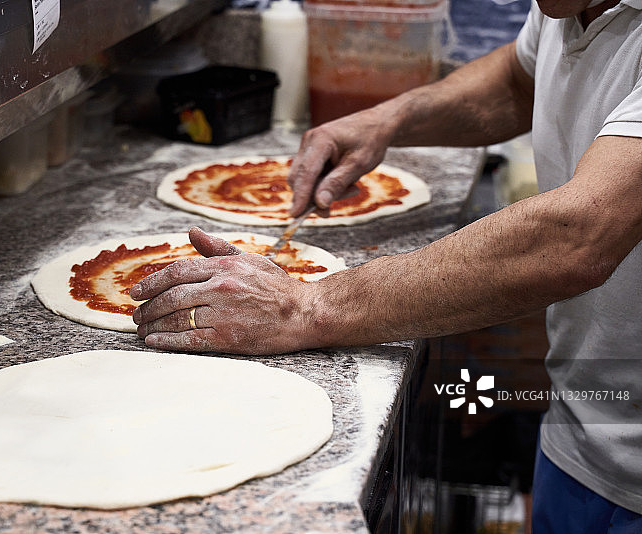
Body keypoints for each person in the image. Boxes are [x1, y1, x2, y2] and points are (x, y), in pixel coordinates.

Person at [131, 0, 642, 531]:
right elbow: (519, 80)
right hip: (584, 427)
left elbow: (578, 236)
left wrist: (307, 306)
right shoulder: (567, 5)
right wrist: (390, 119)